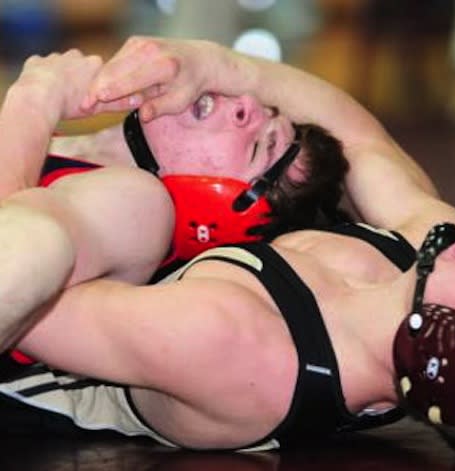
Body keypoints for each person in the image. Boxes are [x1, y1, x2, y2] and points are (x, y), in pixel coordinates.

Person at [0, 36, 455, 456]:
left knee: (128, 209)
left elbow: (27, 292)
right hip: (71, 241)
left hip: (27, 322)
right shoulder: (430, 252)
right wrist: (213, 64)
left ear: (443, 343)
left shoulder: (241, 349)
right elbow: (359, 137)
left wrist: (33, 102)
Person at [0, 46, 348, 353]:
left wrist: (33, 99)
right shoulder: (37, 146)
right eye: (267, 110)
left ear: (218, 215)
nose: (247, 104)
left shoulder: (139, 210)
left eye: (261, 146)